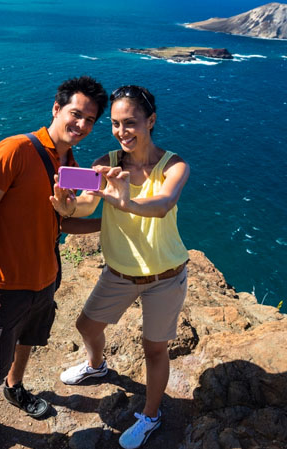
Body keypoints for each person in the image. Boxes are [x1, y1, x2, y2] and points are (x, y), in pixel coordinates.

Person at [0, 76, 108, 449]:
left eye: (90, 120)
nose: (81, 125)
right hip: (5, 282)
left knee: (27, 339)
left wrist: (110, 223)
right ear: (56, 108)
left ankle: (15, 389)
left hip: (45, 278)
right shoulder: (14, 149)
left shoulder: (71, 166)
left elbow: (64, 220)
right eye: (75, 114)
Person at [50, 84, 190, 449]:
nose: (122, 132)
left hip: (165, 276)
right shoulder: (104, 164)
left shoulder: (174, 166)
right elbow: (82, 205)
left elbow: (162, 204)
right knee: (86, 325)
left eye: (130, 123)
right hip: (120, 273)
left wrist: (127, 203)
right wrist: (67, 207)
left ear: (151, 121)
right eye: (114, 124)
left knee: (154, 349)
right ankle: (96, 365)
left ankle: (151, 415)